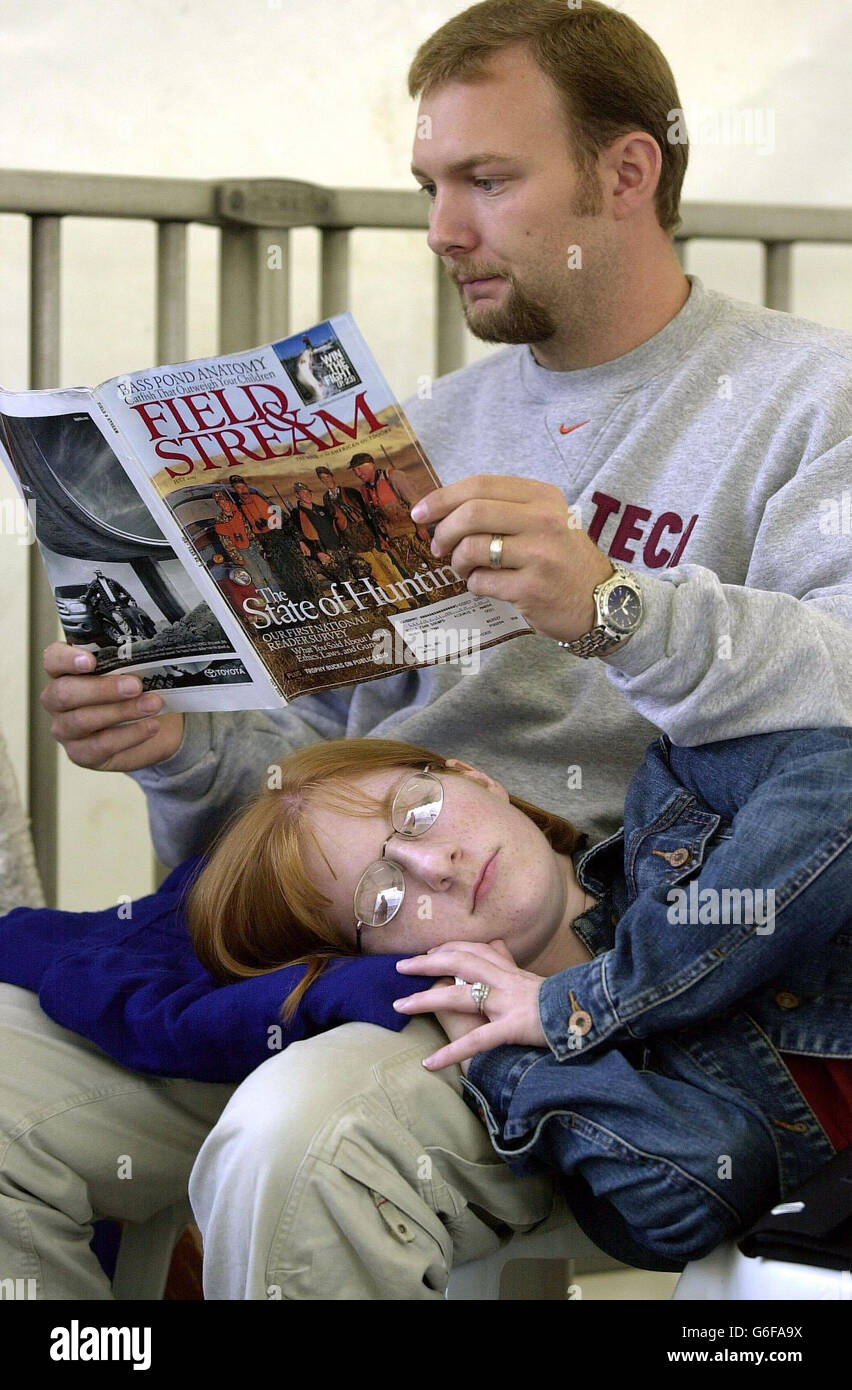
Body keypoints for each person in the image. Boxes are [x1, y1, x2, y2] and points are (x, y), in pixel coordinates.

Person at [22, 0, 852, 1298]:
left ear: (627, 171)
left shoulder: (807, 398)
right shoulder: (422, 429)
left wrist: (612, 605)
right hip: (353, 943)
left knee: (305, 1138)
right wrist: (180, 753)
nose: (443, 228)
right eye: (429, 183)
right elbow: (313, 787)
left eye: (487, 178)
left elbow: (843, 699)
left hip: (601, 964)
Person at [182, 728, 852, 1276]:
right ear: (382, 966)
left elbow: (838, 788)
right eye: (381, 899)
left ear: (476, 777)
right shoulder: (547, 1096)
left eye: (417, 812)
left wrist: (581, 1001)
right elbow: (705, 1186)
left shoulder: (681, 787)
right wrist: (506, 1065)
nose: (434, 865)